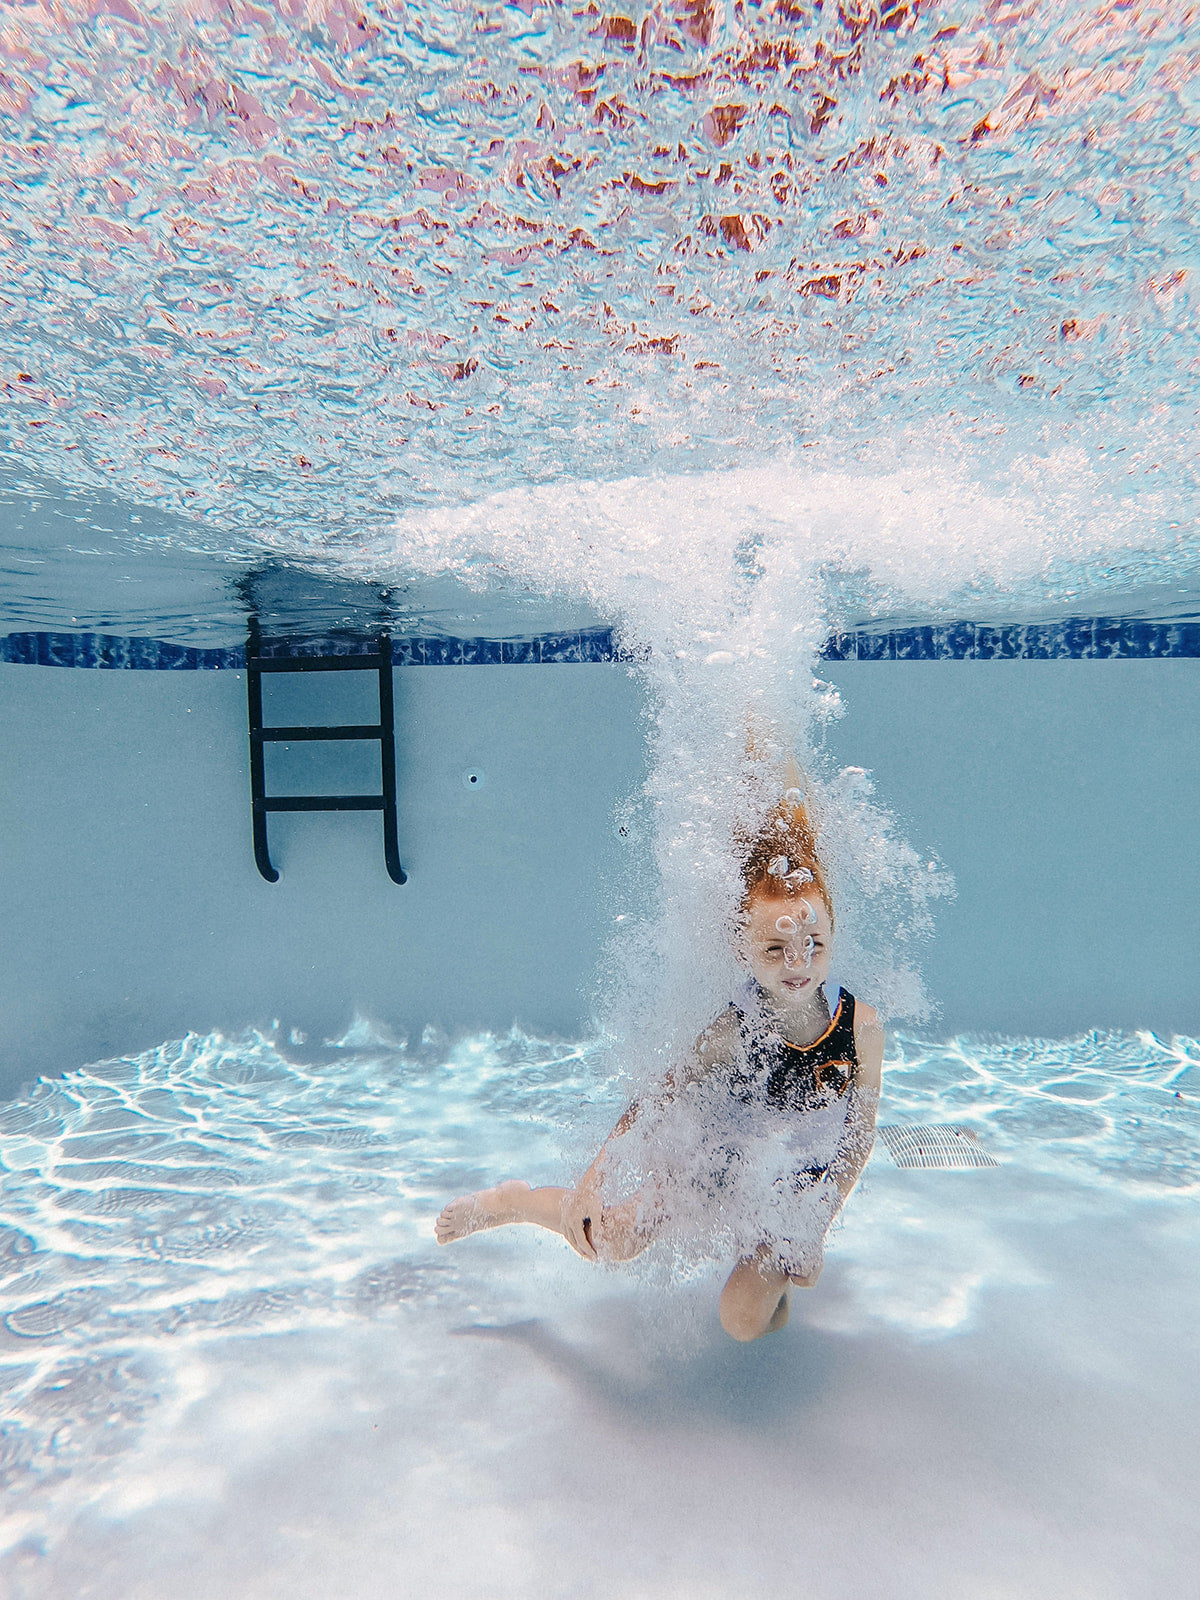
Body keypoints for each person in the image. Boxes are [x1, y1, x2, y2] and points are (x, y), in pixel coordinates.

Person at [436, 781, 884, 1342]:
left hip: (793, 1190)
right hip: (717, 1164)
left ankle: (779, 1291)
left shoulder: (860, 1027)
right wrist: (593, 1181)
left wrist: (813, 1225)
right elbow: (658, 1095)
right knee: (611, 1240)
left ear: (832, 935)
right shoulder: (735, 1028)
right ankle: (517, 1202)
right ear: (741, 949)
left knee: (744, 1321)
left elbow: (858, 1138)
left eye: (814, 943)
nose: (798, 963)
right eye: (774, 949)